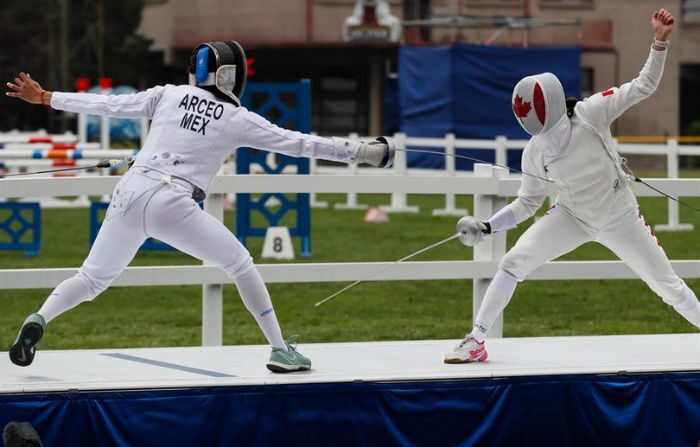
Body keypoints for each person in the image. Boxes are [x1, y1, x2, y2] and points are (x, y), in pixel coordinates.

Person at [5, 40, 394, 372]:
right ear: (230, 75)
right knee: (240, 263)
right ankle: (280, 348)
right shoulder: (237, 117)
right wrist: (364, 152)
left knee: (91, 280)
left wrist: (46, 97)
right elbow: (300, 143)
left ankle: (40, 317)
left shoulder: (168, 94)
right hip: (172, 202)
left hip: (130, 191)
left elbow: (109, 105)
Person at [444, 9, 700, 364]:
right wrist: (489, 226)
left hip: (619, 215)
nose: (546, 140)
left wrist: (660, 41)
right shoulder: (534, 152)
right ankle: (477, 339)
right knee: (512, 262)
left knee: (667, 286)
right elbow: (525, 204)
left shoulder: (593, 112)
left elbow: (644, 86)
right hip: (572, 216)